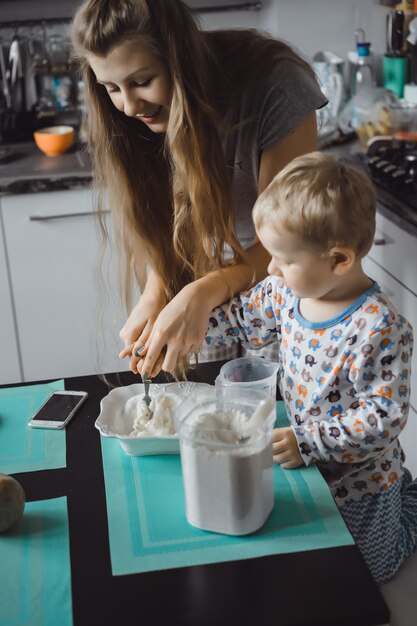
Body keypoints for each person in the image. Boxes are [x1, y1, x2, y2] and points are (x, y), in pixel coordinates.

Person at [71, 0, 327, 378]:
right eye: (111, 87)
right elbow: (175, 218)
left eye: (142, 82)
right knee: (201, 402)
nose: (127, 106)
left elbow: (285, 241)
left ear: (180, 60)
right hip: (204, 270)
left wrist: (208, 289)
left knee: (280, 410)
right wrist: (157, 291)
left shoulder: (276, 85)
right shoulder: (129, 119)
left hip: (285, 272)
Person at [194, 151, 416, 584]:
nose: (271, 268)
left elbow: (382, 418)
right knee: (310, 559)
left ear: (338, 260)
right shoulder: (283, 292)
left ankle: (406, 505)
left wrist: (308, 441)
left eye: (285, 258)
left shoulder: (379, 328)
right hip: (308, 462)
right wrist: (185, 335)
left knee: (372, 571)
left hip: (361, 478)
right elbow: (239, 317)